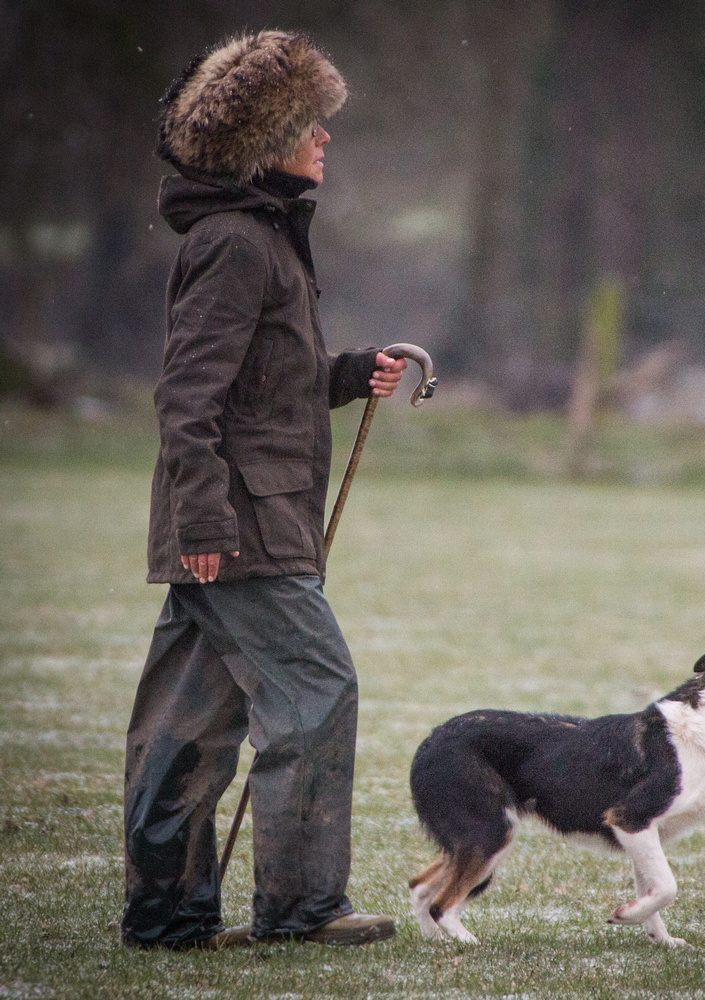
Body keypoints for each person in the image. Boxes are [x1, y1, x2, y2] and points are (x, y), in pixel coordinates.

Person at [120, 30, 404, 950]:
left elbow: (267, 383)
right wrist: (204, 518)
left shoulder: (263, 238)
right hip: (241, 529)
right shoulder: (237, 243)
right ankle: (302, 909)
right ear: (262, 140)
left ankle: (167, 919)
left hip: (245, 521)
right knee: (319, 688)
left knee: (190, 729)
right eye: (308, 125)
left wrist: (352, 371)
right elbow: (188, 397)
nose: (325, 139)